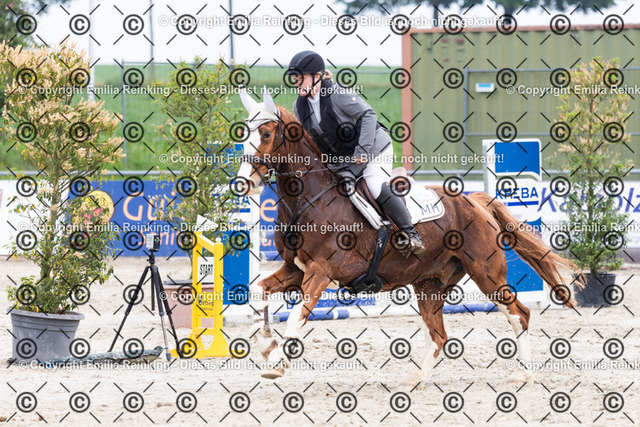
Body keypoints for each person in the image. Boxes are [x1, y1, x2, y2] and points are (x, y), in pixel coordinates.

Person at [285, 50, 425, 254]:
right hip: (343, 159)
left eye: (300, 77)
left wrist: (362, 150)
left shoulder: (337, 94)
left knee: (374, 185)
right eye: (294, 78)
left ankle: (410, 233)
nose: (296, 82)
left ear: (316, 76)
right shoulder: (299, 107)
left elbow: (368, 115)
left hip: (373, 149)